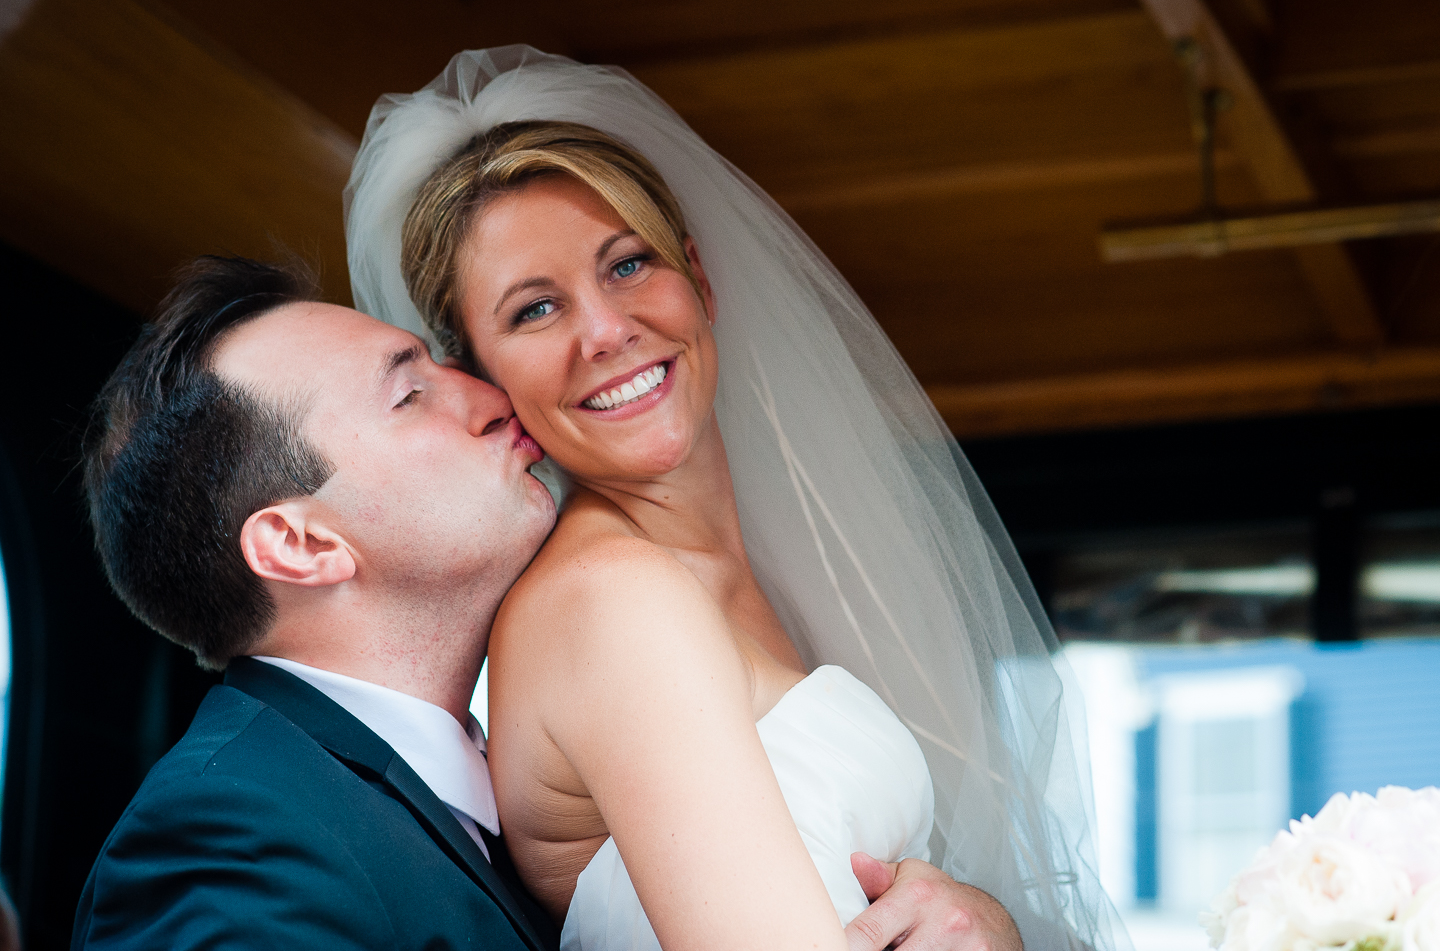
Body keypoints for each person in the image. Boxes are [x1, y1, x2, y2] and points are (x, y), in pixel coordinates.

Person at [345, 47, 1125, 951]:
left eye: (628, 265)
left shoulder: (731, 575)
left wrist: (984, 919)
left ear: (700, 280)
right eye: (534, 310)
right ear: (481, 376)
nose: (606, 331)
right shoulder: (608, 602)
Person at [72, 255, 1020, 950]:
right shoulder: (227, 840)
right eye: (410, 395)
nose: (487, 395)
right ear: (304, 543)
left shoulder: (513, 779)